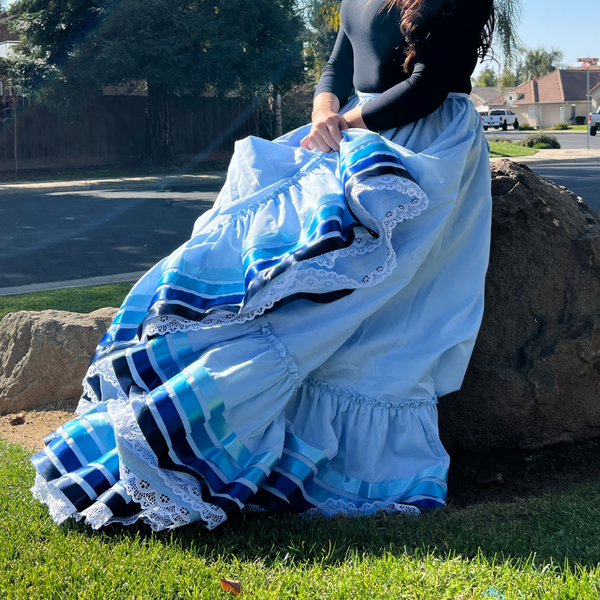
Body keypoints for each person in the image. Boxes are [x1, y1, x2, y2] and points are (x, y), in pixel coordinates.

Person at [31, 0, 495, 531]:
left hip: (424, 149)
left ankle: (334, 465)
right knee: (263, 281)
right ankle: (187, 420)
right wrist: (324, 114)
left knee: (382, 324)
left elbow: (427, 88)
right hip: (353, 133)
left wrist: (340, 122)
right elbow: (337, 67)